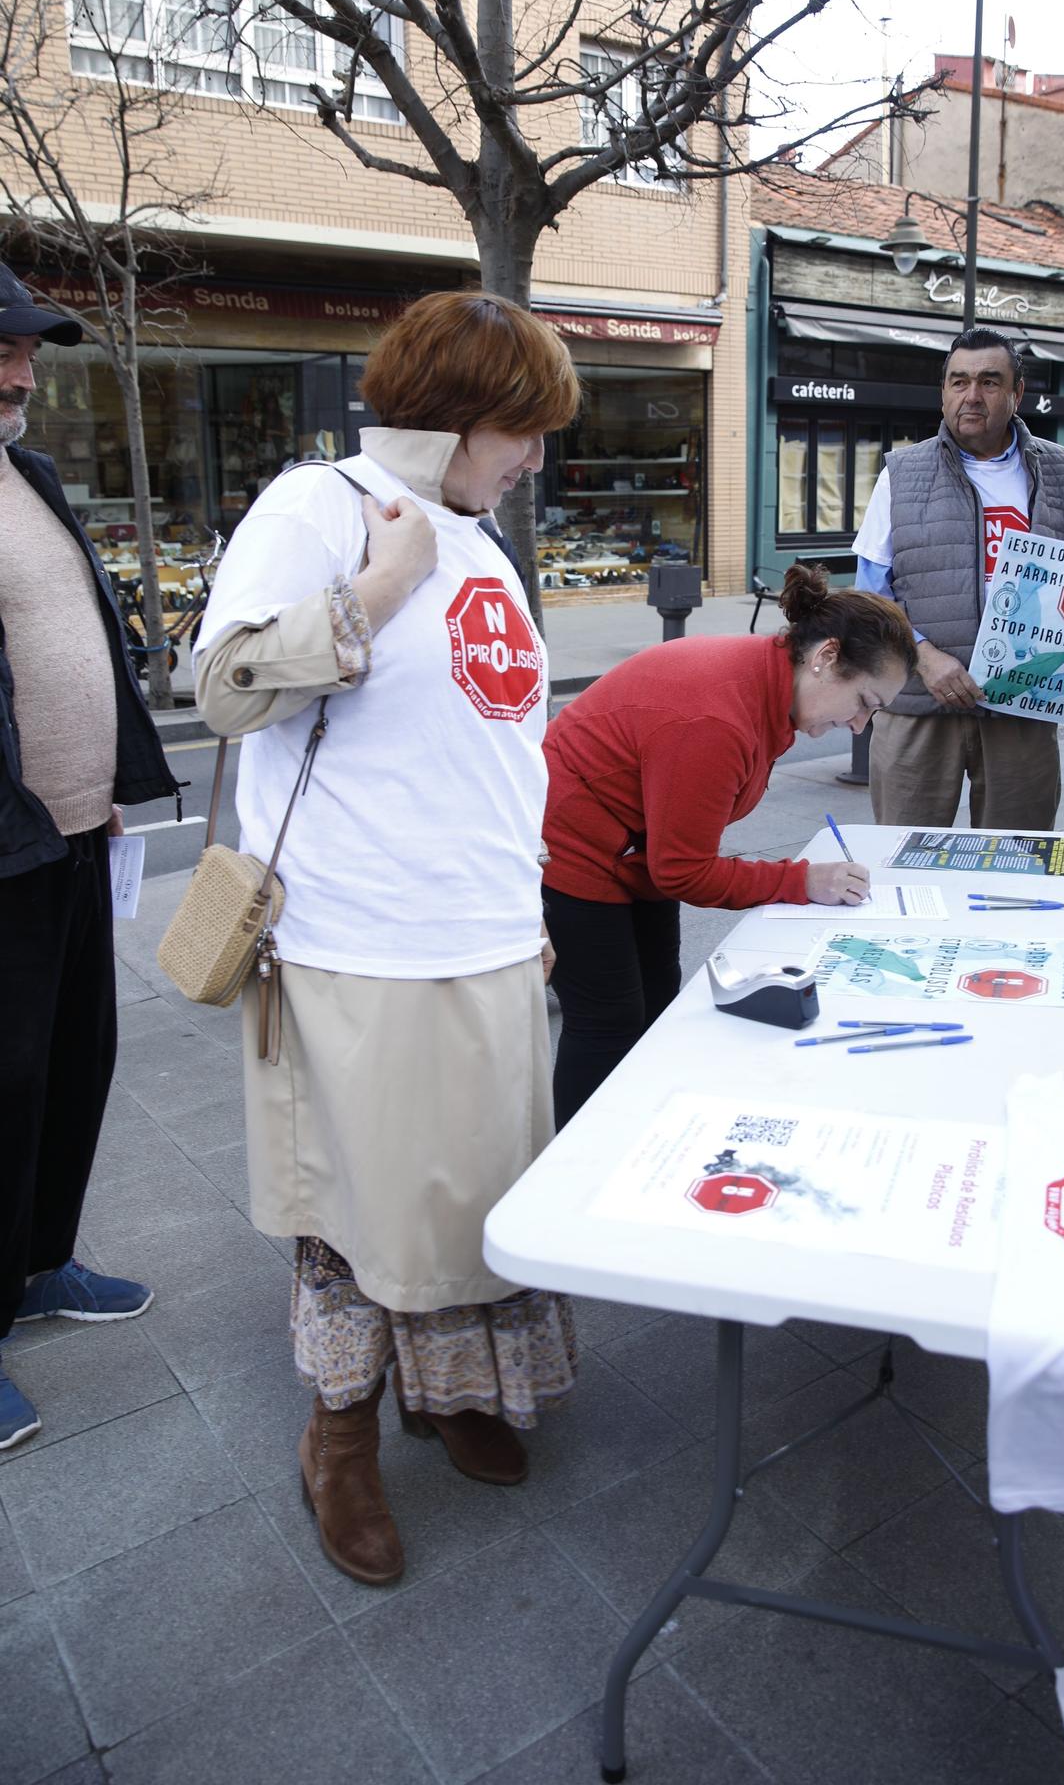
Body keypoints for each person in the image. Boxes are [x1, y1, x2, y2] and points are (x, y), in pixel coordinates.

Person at [194, 290, 580, 1585]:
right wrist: (375, 589)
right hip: (359, 942)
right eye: (523, 427)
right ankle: (338, 1438)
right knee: (358, 1211)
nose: (536, 456)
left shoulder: (480, 538)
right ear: (466, 413)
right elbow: (223, 683)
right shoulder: (321, 508)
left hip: (480, 935)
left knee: (476, 1195)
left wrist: (525, 910)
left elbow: (497, 744)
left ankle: (450, 1389)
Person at [0, 262, 178, 1453]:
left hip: (66, 830)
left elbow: (79, 647)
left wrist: (104, 782)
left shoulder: (30, 470)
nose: (21, 372)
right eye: (1, 352)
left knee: (75, 1061)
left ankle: (39, 1263)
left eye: (24, 352)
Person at [541, 565, 916, 1127]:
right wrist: (800, 880)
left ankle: (639, 1129)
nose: (860, 726)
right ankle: (576, 1161)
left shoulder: (765, 679)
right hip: (577, 850)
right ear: (826, 657)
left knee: (658, 995)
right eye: (864, 701)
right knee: (609, 1019)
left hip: (628, 849)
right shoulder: (716, 717)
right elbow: (683, 872)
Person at [853, 327, 1064, 831]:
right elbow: (869, 596)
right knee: (906, 857)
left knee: (1016, 858)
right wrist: (924, 656)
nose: (972, 395)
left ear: (1016, 393)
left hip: (1021, 708)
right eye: (958, 382)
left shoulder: (1059, 473)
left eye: (989, 381)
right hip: (920, 704)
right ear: (943, 392)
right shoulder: (902, 473)